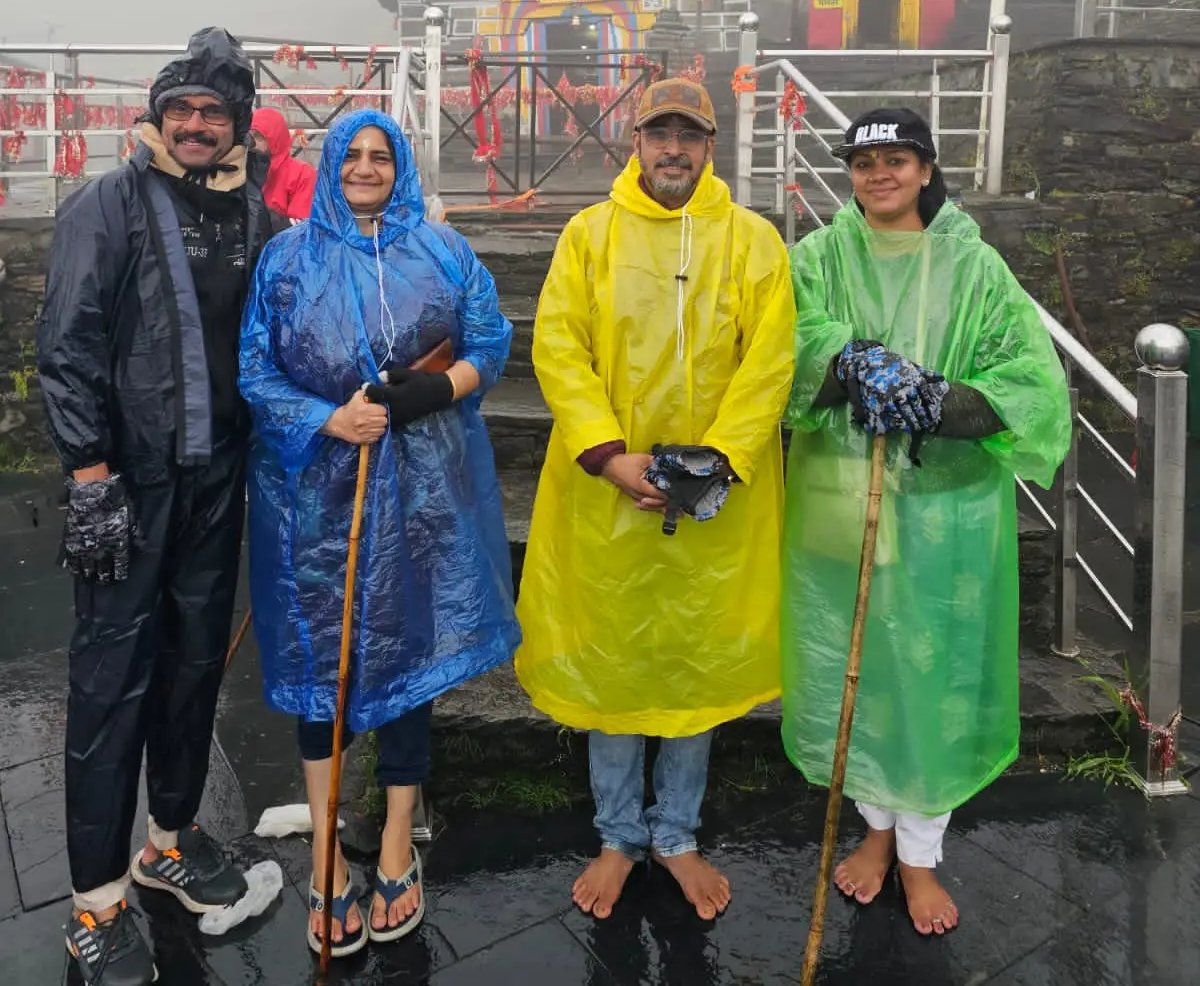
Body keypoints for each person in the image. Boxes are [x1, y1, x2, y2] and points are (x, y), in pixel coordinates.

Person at [781, 107, 1072, 936]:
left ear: (926, 167)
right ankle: (875, 832)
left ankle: (921, 853)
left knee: (934, 670)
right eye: (864, 160)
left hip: (947, 505)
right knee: (859, 658)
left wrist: (942, 400)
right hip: (844, 486)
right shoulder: (818, 258)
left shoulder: (975, 267)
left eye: (896, 159)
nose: (879, 174)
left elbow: (1029, 380)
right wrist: (847, 356)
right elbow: (785, 335)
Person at [239, 109, 519, 958]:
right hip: (313, 500)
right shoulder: (284, 258)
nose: (365, 168)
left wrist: (435, 393)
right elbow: (255, 367)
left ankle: (397, 834)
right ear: (330, 165)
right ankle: (327, 846)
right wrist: (328, 419)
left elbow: (492, 340)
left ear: (399, 168)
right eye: (352, 156)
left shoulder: (444, 251)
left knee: (408, 655)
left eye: (380, 157)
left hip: (425, 494)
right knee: (318, 666)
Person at [515, 78, 795, 921]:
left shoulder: (753, 242)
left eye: (690, 134)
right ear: (634, 142)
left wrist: (720, 461)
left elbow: (770, 360)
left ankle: (675, 833)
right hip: (607, 492)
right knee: (613, 660)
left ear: (711, 146)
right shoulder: (588, 236)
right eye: (658, 133)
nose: (673, 148)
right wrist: (607, 455)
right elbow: (559, 346)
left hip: (716, 498)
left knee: (692, 660)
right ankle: (616, 833)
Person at [37, 27, 275, 986]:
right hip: (128, 483)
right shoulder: (108, 204)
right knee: (109, 683)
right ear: (157, 117)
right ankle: (95, 898)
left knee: (190, 666)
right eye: (180, 109)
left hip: (217, 480)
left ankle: (167, 843)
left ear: (238, 127)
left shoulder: (254, 219)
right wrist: (87, 473)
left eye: (213, 112)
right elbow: (68, 339)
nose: (194, 125)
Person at [250, 106, 317, 219]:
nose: (251, 142)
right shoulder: (240, 171)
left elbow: (300, 228)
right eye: (248, 136)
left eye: (258, 136)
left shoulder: (302, 175)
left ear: (275, 140)